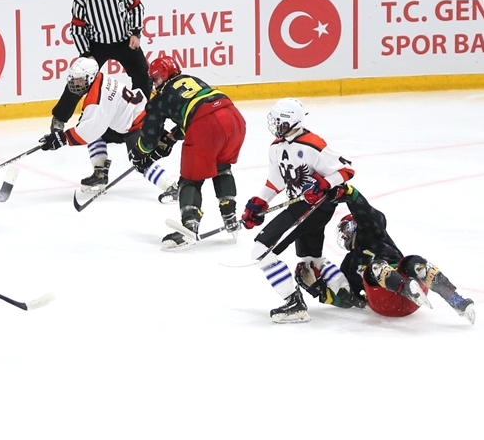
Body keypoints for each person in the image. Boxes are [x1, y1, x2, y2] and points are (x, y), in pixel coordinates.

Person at [239, 98, 355, 321]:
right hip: (304, 207)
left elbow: (346, 170)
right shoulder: (276, 147)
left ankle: (294, 304)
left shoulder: (312, 144)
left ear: (290, 122)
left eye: (277, 120)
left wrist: (322, 184)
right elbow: (275, 182)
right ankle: (349, 294)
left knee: (261, 251)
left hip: (313, 207)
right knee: (311, 258)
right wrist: (259, 203)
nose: (273, 124)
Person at [131, 56, 246, 250]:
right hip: (234, 118)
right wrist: (172, 137)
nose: (154, 83)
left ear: (161, 77)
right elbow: (196, 110)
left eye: (155, 78)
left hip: (206, 124)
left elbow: (150, 138)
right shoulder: (192, 80)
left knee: (190, 180)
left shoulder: (161, 96)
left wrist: (139, 152)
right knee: (222, 167)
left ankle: (189, 226)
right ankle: (230, 215)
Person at [317, 185, 475, 324]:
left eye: (346, 228)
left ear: (356, 224)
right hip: (384, 301)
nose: (344, 234)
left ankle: (457, 301)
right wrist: (320, 291)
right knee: (375, 268)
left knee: (414, 262)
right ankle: (406, 288)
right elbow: (348, 297)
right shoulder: (349, 264)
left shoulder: (375, 234)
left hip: (408, 299)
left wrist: (352, 195)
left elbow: (369, 214)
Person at [40, 57, 179, 199]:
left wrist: (61, 138)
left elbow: (86, 132)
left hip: (140, 125)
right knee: (97, 133)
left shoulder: (97, 99)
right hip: (129, 121)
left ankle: (171, 187)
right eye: (75, 79)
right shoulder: (100, 80)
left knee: (140, 160)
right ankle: (100, 173)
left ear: (91, 77)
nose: (76, 83)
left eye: (80, 80)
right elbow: (91, 125)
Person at [48, 0, 151, 137]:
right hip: (97, 47)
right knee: (78, 81)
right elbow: (77, 29)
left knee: (143, 75)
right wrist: (86, 54)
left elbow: (136, 7)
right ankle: (59, 119)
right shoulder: (81, 0)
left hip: (124, 41)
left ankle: (142, 115)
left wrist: (136, 33)